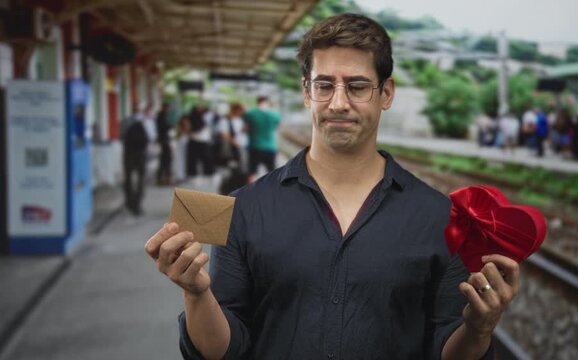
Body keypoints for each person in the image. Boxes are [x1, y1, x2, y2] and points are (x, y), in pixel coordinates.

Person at [145, 13, 519, 360]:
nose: (338, 103)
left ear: (386, 93)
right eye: (324, 85)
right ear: (307, 91)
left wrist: (478, 329)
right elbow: (226, 349)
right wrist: (197, 294)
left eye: (357, 86)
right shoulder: (243, 208)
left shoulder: (441, 218)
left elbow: (445, 348)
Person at [122, 104, 156, 216]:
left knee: (130, 180)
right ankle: (135, 204)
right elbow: (149, 138)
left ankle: (131, 202)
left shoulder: (127, 122)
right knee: (139, 180)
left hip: (129, 154)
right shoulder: (145, 123)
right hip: (138, 153)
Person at [244, 96, 281, 181]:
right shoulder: (275, 115)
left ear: (257, 102)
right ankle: (272, 192)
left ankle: (250, 192)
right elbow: (277, 128)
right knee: (272, 172)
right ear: (268, 103)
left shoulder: (251, 114)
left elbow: (246, 129)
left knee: (252, 172)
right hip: (271, 147)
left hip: (255, 146)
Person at [155, 103, 173, 185]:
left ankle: (164, 177)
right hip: (164, 140)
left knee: (165, 159)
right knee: (166, 159)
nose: (168, 110)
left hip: (165, 139)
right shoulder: (161, 117)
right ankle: (164, 177)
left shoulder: (163, 116)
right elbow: (163, 127)